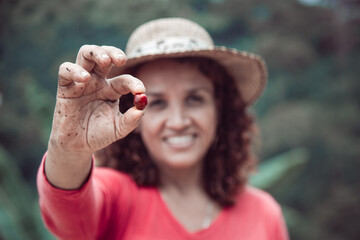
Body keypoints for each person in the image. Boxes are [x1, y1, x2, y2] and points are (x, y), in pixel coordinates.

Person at [37, 18, 289, 240]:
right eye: (156, 103)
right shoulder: (114, 198)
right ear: (130, 114)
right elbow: (67, 216)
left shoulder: (265, 214)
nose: (178, 122)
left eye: (195, 99)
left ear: (219, 108)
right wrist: (69, 148)